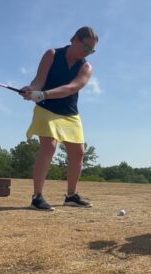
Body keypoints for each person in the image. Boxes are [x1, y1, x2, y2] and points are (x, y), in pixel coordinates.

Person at [19, 26, 98, 211]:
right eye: (87, 48)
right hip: (46, 109)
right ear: (75, 40)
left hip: (70, 112)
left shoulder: (86, 67)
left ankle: (71, 196)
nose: (89, 53)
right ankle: (37, 197)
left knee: (78, 153)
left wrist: (43, 93)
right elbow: (39, 80)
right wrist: (32, 89)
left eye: (92, 51)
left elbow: (71, 88)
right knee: (49, 146)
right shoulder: (52, 54)